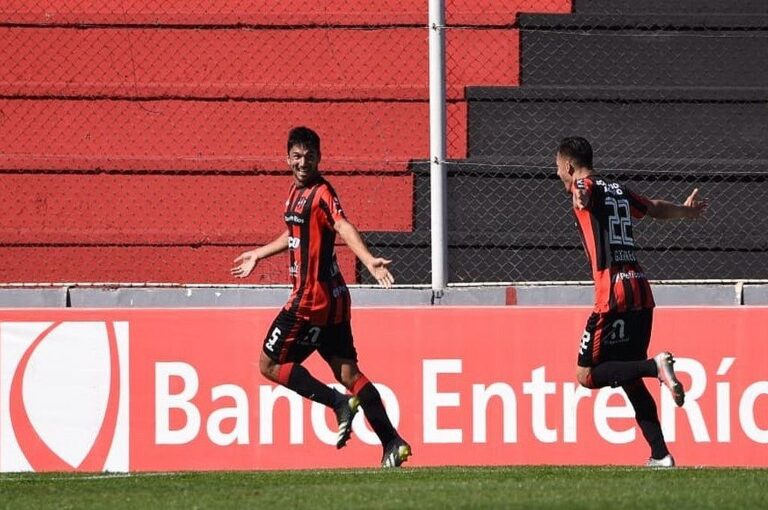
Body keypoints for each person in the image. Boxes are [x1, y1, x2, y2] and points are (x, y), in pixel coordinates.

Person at [231, 126, 411, 468]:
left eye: (309, 157)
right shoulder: (295, 194)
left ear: (319, 159)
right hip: (335, 302)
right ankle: (392, 442)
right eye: (297, 156)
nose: (303, 163)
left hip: (309, 302)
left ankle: (338, 404)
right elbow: (294, 233)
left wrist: (368, 260)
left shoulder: (322, 193)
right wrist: (259, 253)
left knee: (269, 365)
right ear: (287, 158)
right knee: (349, 373)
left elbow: (343, 225)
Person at [555, 136, 707, 467]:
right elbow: (654, 207)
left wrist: (580, 194)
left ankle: (656, 366)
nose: (558, 175)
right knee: (628, 375)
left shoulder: (584, 186)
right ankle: (660, 455)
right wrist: (686, 212)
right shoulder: (619, 190)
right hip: (640, 289)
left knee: (585, 375)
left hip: (612, 295)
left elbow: (582, 191)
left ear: (568, 165)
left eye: (558, 168)